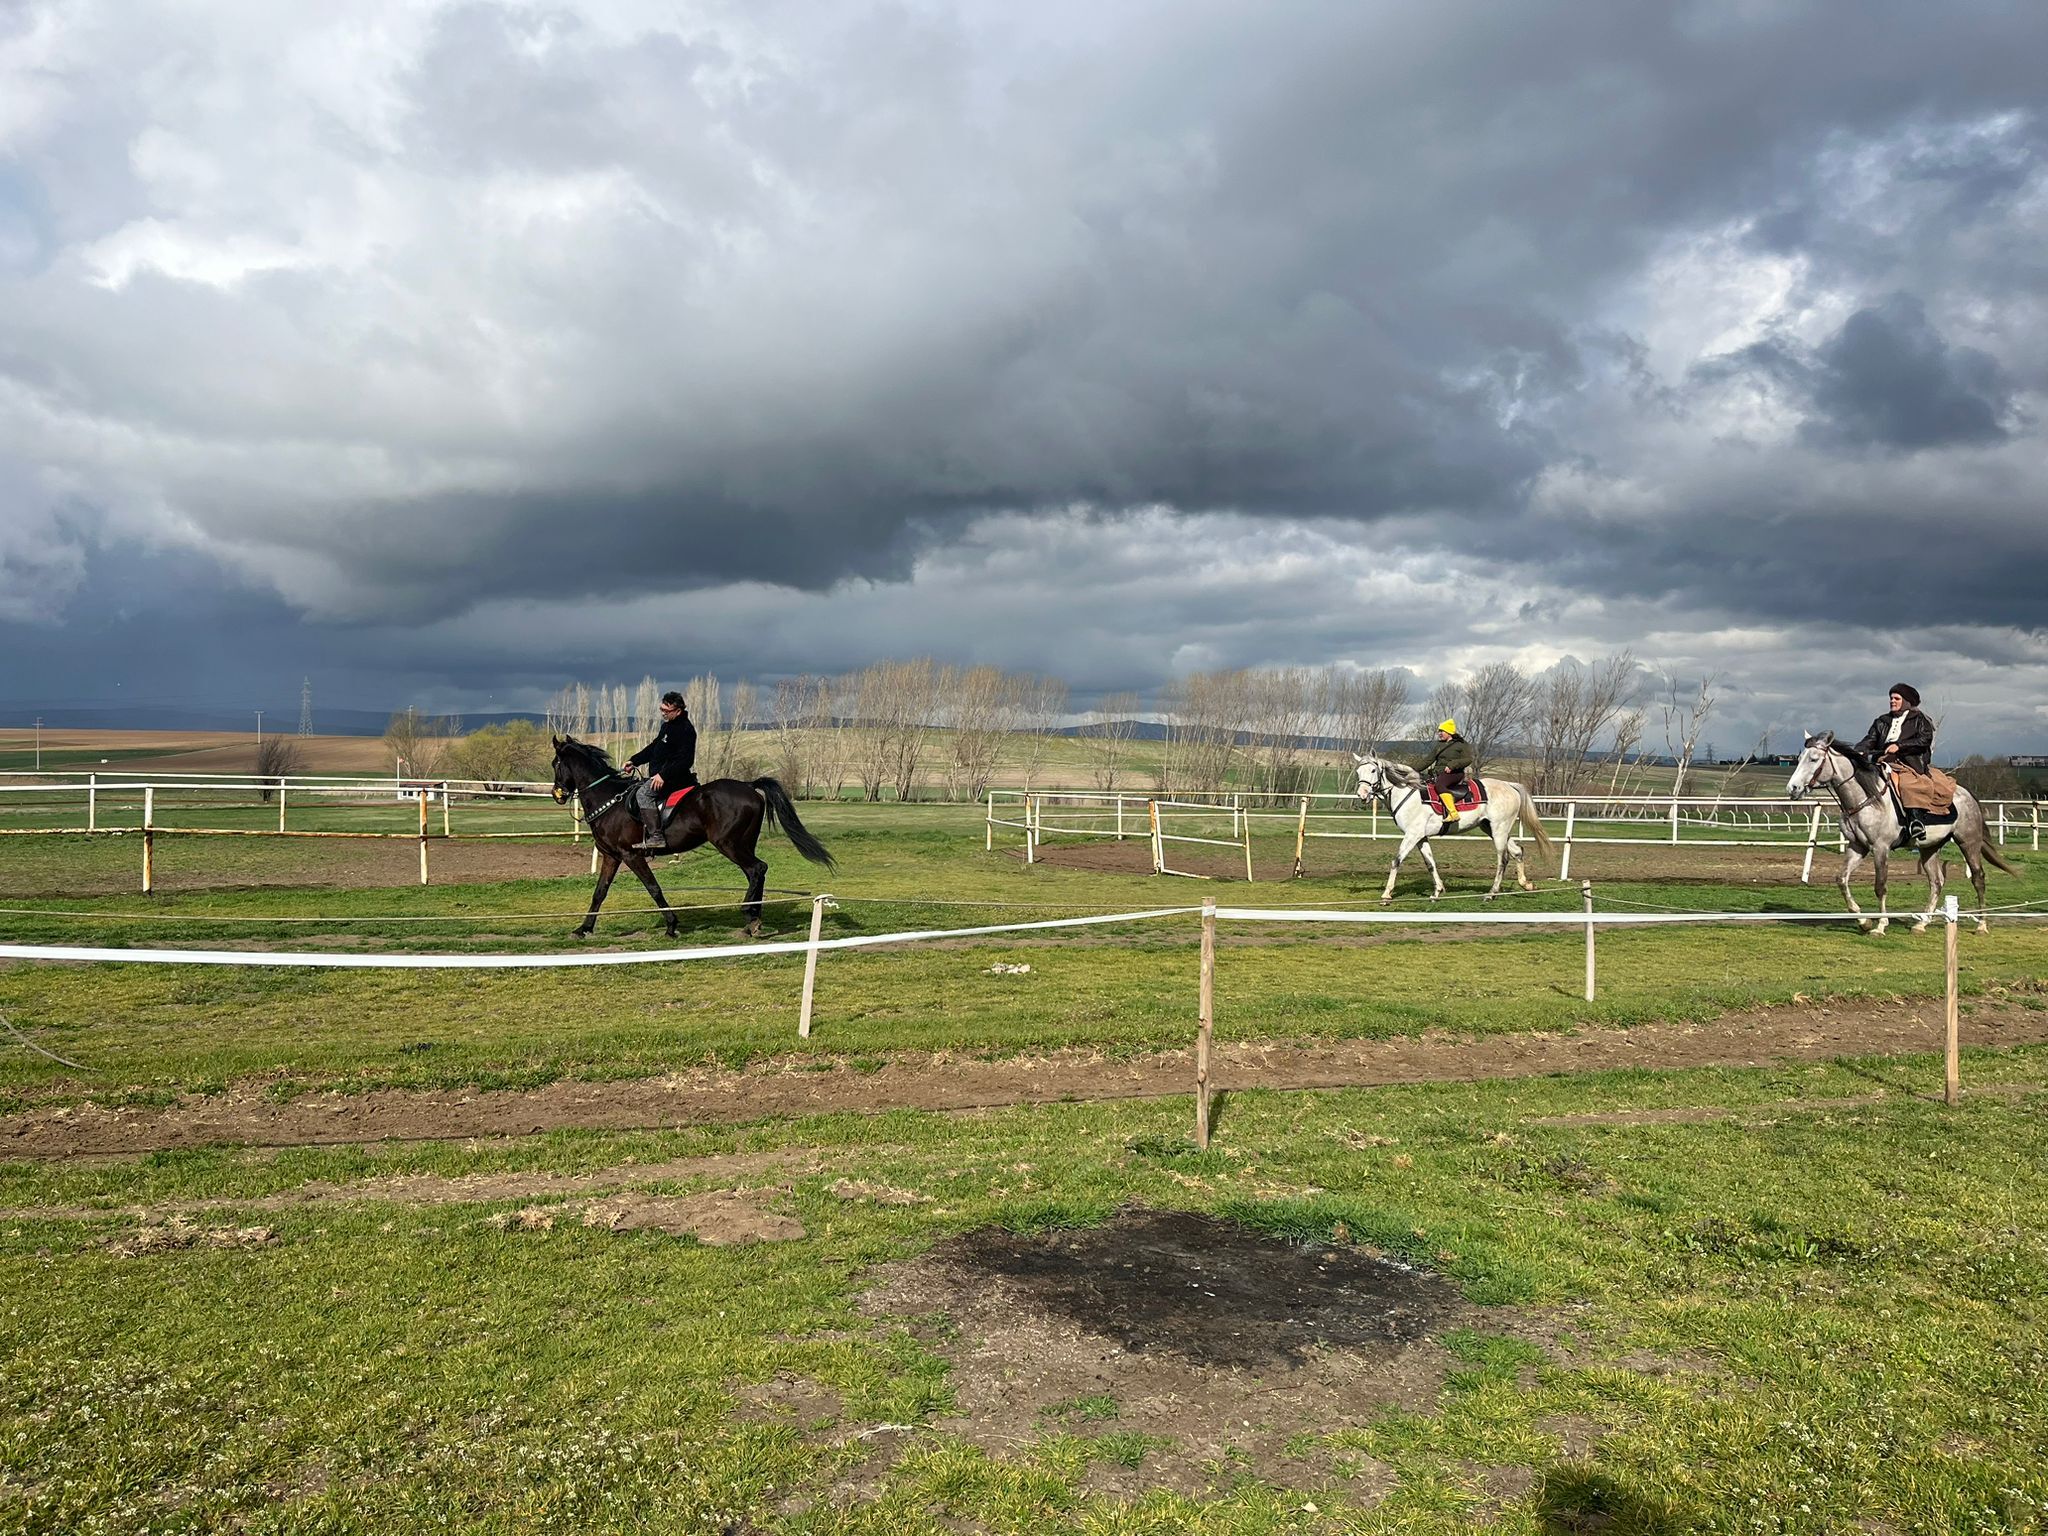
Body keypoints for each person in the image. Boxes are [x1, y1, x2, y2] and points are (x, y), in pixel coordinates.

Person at [1852, 683, 1936, 844]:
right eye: (1891, 698)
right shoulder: (1882, 721)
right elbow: (1870, 740)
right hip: (1882, 760)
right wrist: (1860, 750)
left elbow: (1924, 740)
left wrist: (1900, 746)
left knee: (1907, 784)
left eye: (1896, 698)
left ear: (1906, 701)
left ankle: (1915, 822)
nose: (1892, 701)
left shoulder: (1920, 720)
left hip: (1908, 762)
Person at [627, 691, 698, 851]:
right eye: (662, 710)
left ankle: (656, 836)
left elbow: (685, 760)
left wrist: (663, 775)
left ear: (678, 711)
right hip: (661, 776)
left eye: (666, 711)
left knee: (643, 794)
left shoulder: (686, 729)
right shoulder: (667, 727)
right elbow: (654, 748)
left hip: (674, 779)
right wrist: (634, 761)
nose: (663, 714)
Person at [1412, 718, 1474, 824]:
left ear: (1449, 732)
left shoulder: (1461, 745)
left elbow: (1468, 759)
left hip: (1455, 773)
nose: (1439, 733)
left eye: (1442, 731)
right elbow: (1428, 760)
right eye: (1439, 731)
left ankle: (1453, 813)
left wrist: (1452, 765)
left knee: (1439, 785)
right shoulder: (1439, 745)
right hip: (1439, 773)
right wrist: (1411, 770)